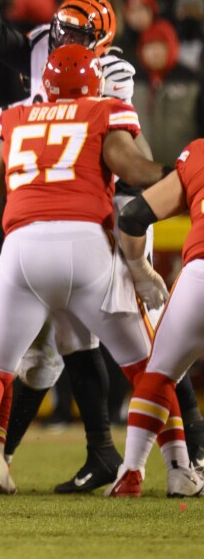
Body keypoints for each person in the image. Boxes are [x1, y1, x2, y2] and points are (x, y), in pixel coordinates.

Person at [0, 0, 195, 492]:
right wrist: (186, 173)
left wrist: (8, 208)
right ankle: (178, 465)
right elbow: (135, 167)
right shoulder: (102, 104)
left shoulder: (19, 116)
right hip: (94, 229)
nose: (65, 38)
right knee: (147, 360)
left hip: (29, 232)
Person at [106, 137, 204, 497]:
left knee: (159, 374)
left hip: (200, 278)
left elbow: (133, 216)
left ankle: (131, 471)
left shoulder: (199, 154)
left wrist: (141, 270)